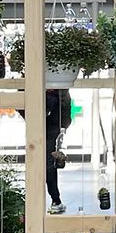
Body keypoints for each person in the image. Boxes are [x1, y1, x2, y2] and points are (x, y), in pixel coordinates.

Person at [44, 87, 72, 215]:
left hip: (40, 128)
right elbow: (66, 117)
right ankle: (55, 200)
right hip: (51, 130)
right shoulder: (60, 90)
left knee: (46, 165)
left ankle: (54, 200)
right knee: (49, 165)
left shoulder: (59, 91)